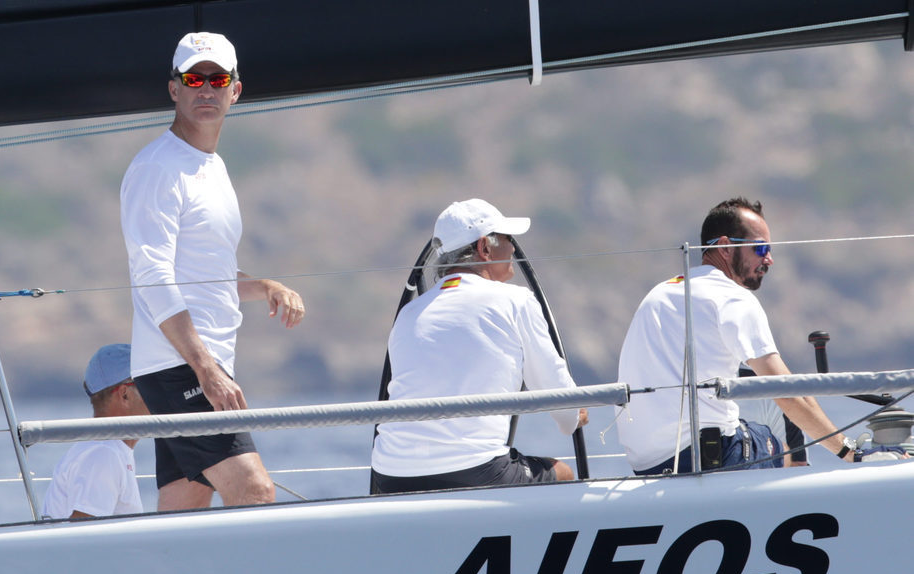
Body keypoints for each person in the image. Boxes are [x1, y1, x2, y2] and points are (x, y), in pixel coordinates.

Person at [121, 32, 305, 510]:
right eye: (194, 78)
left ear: (235, 91)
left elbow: (205, 271)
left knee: (185, 507)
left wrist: (263, 285)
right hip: (181, 364)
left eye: (217, 78)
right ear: (174, 89)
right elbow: (152, 276)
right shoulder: (157, 167)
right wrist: (205, 369)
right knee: (254, 491)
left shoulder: (213, 167)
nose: (206, 89)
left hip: (198, 362)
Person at [617, 197, 869, 474]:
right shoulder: (732, 298)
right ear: (725, 247)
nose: (769, 259)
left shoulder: (660, 292)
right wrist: (849, 450)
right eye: (760, 248)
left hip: (647, 465)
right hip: (709, 457)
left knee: (756, 431)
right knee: (776, 444)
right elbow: (786, 391)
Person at [370, 198, 588, 494]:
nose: (513, 248)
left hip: (390, 475)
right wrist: (575, 414)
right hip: (475, 470)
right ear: (485, 248)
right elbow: (562, 407)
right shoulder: (516, 300)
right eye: (508, 239)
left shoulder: (408, 313)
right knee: (561, 473)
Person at [42, 344, 147, 519]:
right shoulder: (104, 454)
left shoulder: (107, 449)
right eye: (150, 385)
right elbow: (83, 539)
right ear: (124, 395)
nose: (159, 394)